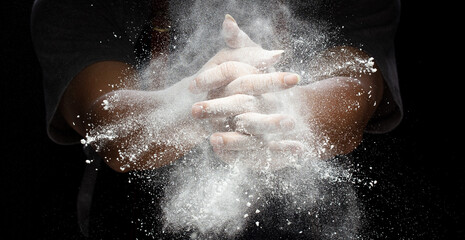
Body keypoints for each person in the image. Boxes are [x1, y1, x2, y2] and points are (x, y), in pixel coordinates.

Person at [31, 0, 402, 238]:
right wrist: (194, 105)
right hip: (129, 223)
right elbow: (107, 122)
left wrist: (281, 108)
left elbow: (355, 91)